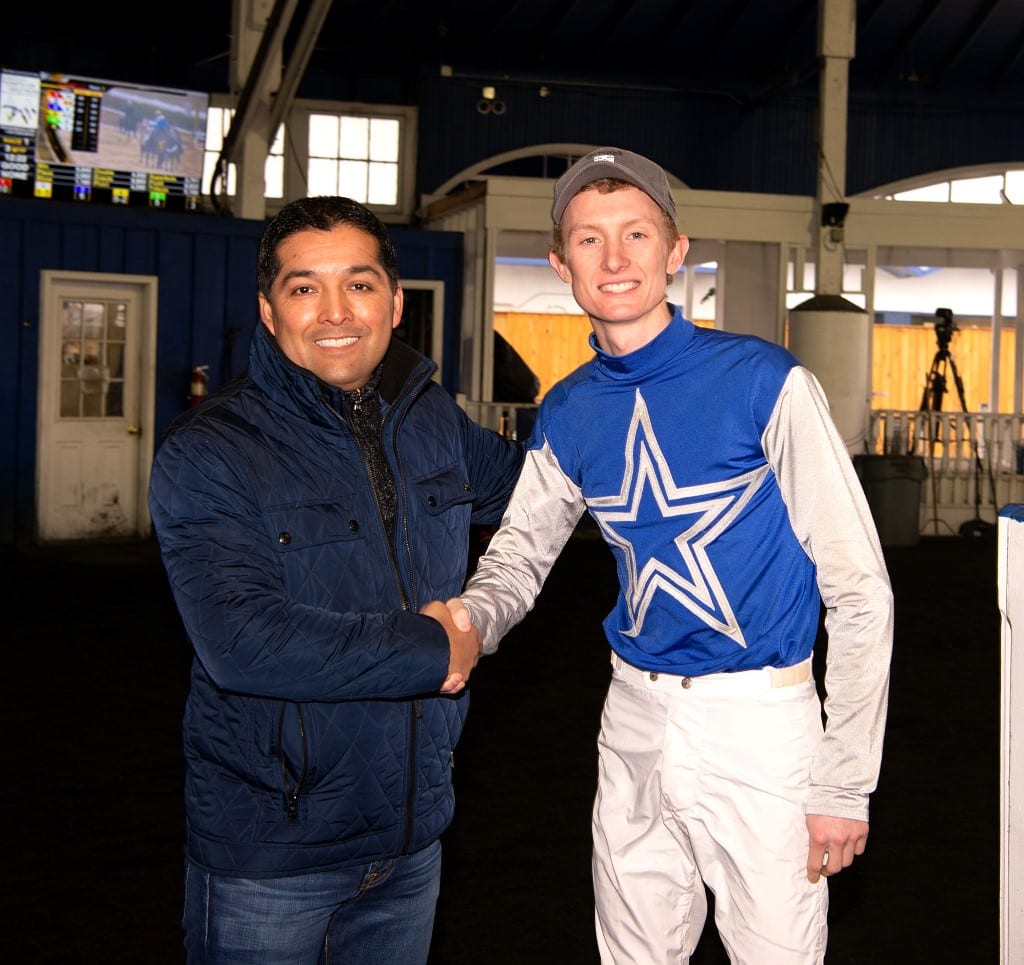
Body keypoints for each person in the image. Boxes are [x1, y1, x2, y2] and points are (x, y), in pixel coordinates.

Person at [449, 147, 893, 964]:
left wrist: (842, 779)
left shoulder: (767, 381)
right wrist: (469, 621)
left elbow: (860, 588)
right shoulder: (569, 408)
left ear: (676, 252)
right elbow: (519, 555)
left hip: (760, 724)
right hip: (634, 719)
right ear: (560, 262)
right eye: (589, 240)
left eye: (636, 235)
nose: (614, 259)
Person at [148, 195, 524, 964]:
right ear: (268, 309)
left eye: (357, 283)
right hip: (273, 854)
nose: (333, 311)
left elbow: (544, 486)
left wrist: (626, 393)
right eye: (302, 287)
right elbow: (241, 641)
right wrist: (434, 648)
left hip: (412, 839)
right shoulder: (212, 451)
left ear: (394, 301)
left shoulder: (432, 421)